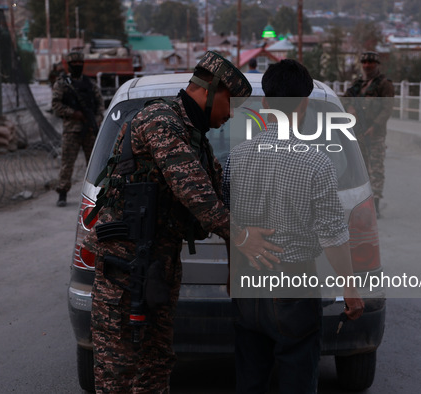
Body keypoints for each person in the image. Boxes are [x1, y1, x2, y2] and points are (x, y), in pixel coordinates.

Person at [82, 51, 282, 393]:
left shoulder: (196, 140)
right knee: (119, 368)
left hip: (158, 265)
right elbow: (196, 193)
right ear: (210, 90)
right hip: (125, 267)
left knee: (156, 363)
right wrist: (242, 236)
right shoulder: (160, 121)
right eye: (230, 103)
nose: (230, 115)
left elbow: (219, 193)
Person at [224, 59, 364, 394]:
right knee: (297, 379)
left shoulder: (236, 157)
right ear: (304, 105)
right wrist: (351, 291)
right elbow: (332, 234)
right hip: (294, 288)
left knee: (250, 379)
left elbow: (226, 223)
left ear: (265, 104)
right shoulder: (317, 162)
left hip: (247, 284)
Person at [343, 51, 394, 218]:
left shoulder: (384, 84)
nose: (367, 65)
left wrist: (375, 126)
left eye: (371, 63)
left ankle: (376, 204)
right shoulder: (357, 84)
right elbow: (345, 100)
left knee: (376, 168)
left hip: (375, 133)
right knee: (360, 168)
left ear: (377, 65)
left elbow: (387, 108)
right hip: (357, 132)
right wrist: (349, 109)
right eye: (364, 62)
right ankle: (362, 202)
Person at [51, 51, 105, 207]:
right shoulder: (62, 84)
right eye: (74, 65)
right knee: (67, 163)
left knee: (94, 164)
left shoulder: (90, 84)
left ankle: (96, 194)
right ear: (69, 65)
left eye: (79, 64)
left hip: (90, 129)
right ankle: (62, 193)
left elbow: (100, 105)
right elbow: (56, 105)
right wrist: (73, 113)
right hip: (71, 130)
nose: (77, 67)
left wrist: (95, 120)